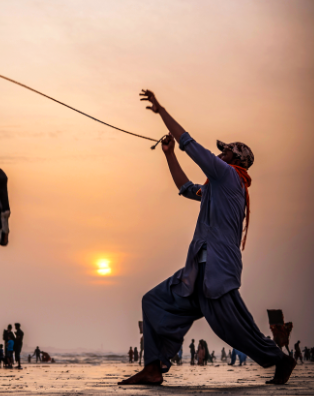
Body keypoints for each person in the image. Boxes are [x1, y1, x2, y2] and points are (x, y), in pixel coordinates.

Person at [119, 90, 295, 386]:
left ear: (235, 160)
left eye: (225, 151)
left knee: (237, 331)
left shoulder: (228, 177)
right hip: (196, 273)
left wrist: (161, 110)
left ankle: (281, 359)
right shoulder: (215, 188)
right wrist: (169, 154)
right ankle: (153, 367)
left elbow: (191, 144)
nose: (219, 153)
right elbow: (186, 187)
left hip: (216, 273)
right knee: (153, 301)